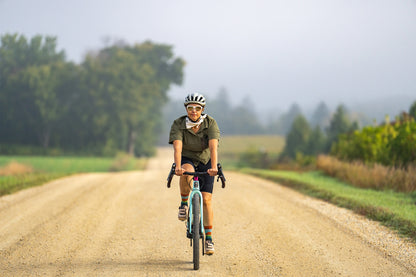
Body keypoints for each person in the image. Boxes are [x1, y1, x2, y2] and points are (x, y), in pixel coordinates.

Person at [168, 92, 220, 255]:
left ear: (202, 109)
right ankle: (184, 204)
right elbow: (177, 147)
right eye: (190, 108)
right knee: (186, 172)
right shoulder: (178, 124)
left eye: (197, 108)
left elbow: (213, 147)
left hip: (205, 161)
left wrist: (213, 167)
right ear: (186, 109)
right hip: (187, 158)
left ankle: (209, 239)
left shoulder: (210, 123)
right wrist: (177, 166)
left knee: (206, 199)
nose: (193, 111)